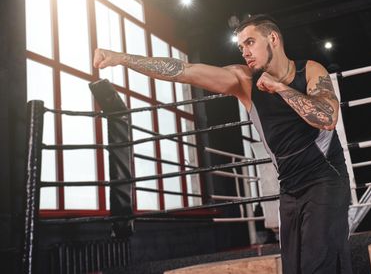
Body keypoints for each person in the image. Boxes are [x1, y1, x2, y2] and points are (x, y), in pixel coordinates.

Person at [93, 14, 351, 274]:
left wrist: (279, 87)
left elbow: (327, 118)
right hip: (290, 187)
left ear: (272, 38)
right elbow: (184, 71)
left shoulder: (310, 71)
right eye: (241, 47)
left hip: (325, 178)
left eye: (250, 42)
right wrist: (122, 59)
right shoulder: (245, 81)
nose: (245, 52)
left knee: (319, 266)